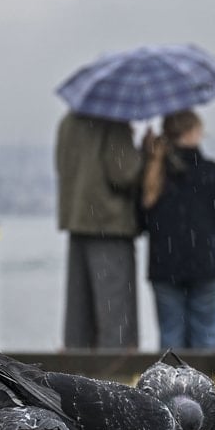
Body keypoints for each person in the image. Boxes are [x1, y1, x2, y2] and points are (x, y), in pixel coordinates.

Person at [141, 109, 215, 350]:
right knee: (205, 339)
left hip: (165, 266)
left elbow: (142, 219)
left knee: (170, 339)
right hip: (207, 265)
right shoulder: (211, 172)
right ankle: (203, 387)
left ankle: (169, 388)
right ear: (193, 132)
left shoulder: (155, 173)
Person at [55, 111, 151, 350]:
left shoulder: (67, 123)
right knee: (115, 316)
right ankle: (114, 378)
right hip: (109, 224)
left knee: (79, 315)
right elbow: (123, 174)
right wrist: (144, 153)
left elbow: (63, 166)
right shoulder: (114, 123)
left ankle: (75, 372)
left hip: (77, 220)